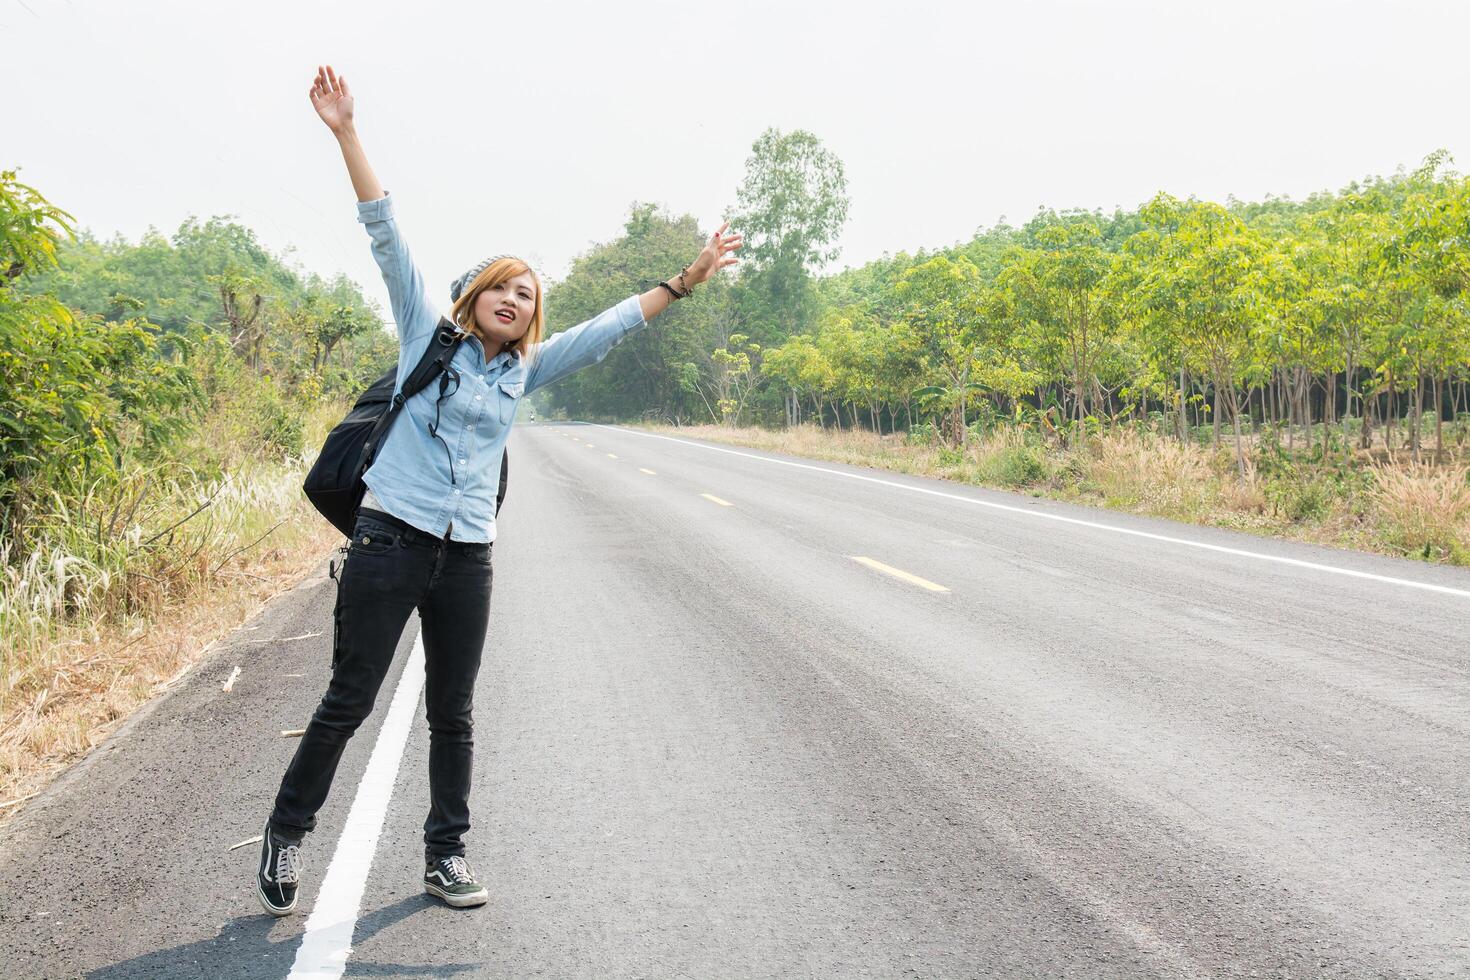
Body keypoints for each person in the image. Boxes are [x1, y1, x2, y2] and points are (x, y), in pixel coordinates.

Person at [256, 64, 741, 916]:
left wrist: (684, 280)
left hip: (468, 556)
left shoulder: (524, 372)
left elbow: (604, 332)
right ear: (473, 297)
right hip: (388, 542)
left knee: (454, 712)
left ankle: (445, 855)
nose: (516, 300)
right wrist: (345, 133)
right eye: (503, 288)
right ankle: (289, 829)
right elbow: (385, 233)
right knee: (349, 700)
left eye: (528, 294)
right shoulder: (423, 335)